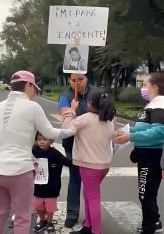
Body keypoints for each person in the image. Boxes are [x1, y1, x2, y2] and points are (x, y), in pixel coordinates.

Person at [0, 70, 75, 234]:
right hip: (20, 171)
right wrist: (72, 130)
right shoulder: (32, 107)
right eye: (34, 88)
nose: (35, 92)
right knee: (23, 216)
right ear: (28, 85)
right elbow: (50, 132)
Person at [115, 72, 164, 234]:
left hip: (152, 156)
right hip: (145, 154)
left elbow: (159, 132)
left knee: (145, 194)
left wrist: (132, 136)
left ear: (155, 87)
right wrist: (127, 133)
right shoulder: (152, 104)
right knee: (147, 192)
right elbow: (145, 127)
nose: (142, 88)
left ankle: (148, 227)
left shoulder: (160, 105)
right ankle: (154, 220)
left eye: (145, 84)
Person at [62, 91, 115, 234]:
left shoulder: (84, 119)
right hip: (103, 166)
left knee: (92, 198)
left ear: (90, 103)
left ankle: (95, 231)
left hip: (89, 166)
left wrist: (70, 111)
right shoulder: (109, 119)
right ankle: (88, 225)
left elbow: (66, 129)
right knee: (88, 194)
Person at [58, 73, 98, 228]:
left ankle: (91, 215)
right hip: (72, 144)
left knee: (91, 183)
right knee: (75, 179)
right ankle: (72, 213)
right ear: (69, 80)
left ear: (87, 78)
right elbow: (65, 121)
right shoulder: (65, 96)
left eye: (81, 79)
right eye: (73, 80)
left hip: (92, 145)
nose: (77, 83)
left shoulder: (96, 93)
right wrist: (71, 110)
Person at [32, 132, 72, 233]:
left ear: (51, 141)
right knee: (38, 206)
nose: (41, 141)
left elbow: (66, 162)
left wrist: (77, 160)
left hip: (52, 186)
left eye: (44, 139)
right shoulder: (33, 151)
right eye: (39, 139)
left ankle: (49, 222)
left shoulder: (54, 153)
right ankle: (42, 220)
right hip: (37, 186)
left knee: (50, 207)